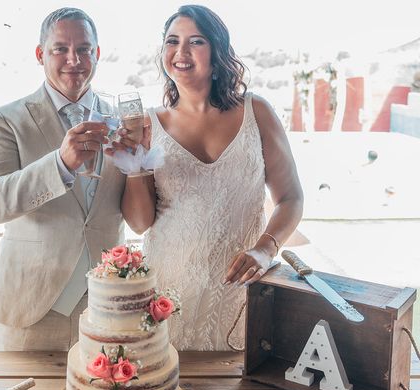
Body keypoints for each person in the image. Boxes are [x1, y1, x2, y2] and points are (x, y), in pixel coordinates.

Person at [119, 5, 304, 351]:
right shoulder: (148, 124)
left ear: (217, 52)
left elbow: (291, 198)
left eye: (196, 41)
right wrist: (135, 160)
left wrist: (265, 250)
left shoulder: (257, 112)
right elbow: (140, 222)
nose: (181, 52)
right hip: (167, 292)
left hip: (240, 293)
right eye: (172, 41)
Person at [0, 8, 126, 351]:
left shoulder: (123, 121)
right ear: (41, 54)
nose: (74, 59)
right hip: (31, 308)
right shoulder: (6, 119)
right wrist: (60, 163)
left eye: (85, 49)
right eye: (60, 49)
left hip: (107, 309)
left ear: (98, 54)